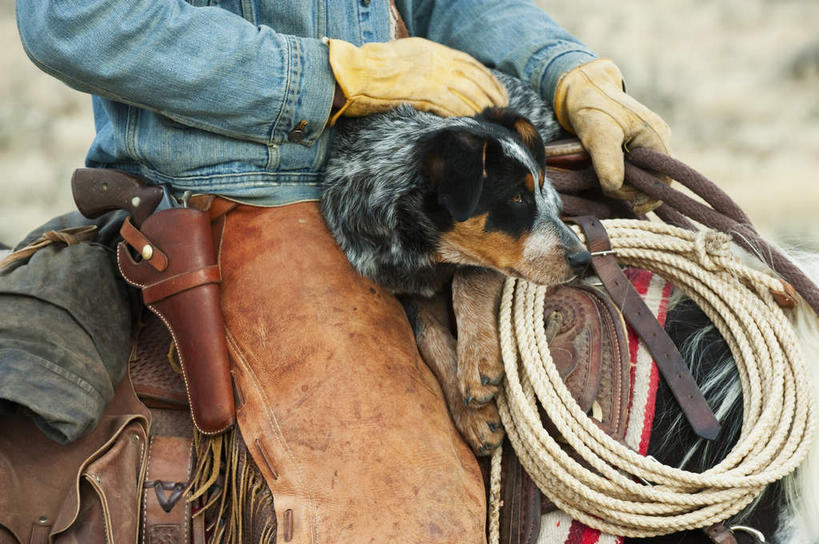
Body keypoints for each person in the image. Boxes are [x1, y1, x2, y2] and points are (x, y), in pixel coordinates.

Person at [13, 0, 672, 541]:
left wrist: (566, 71)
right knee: (408, 517)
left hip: (410, 169)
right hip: (246, 187)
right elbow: (77, 20)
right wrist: (331, 74)